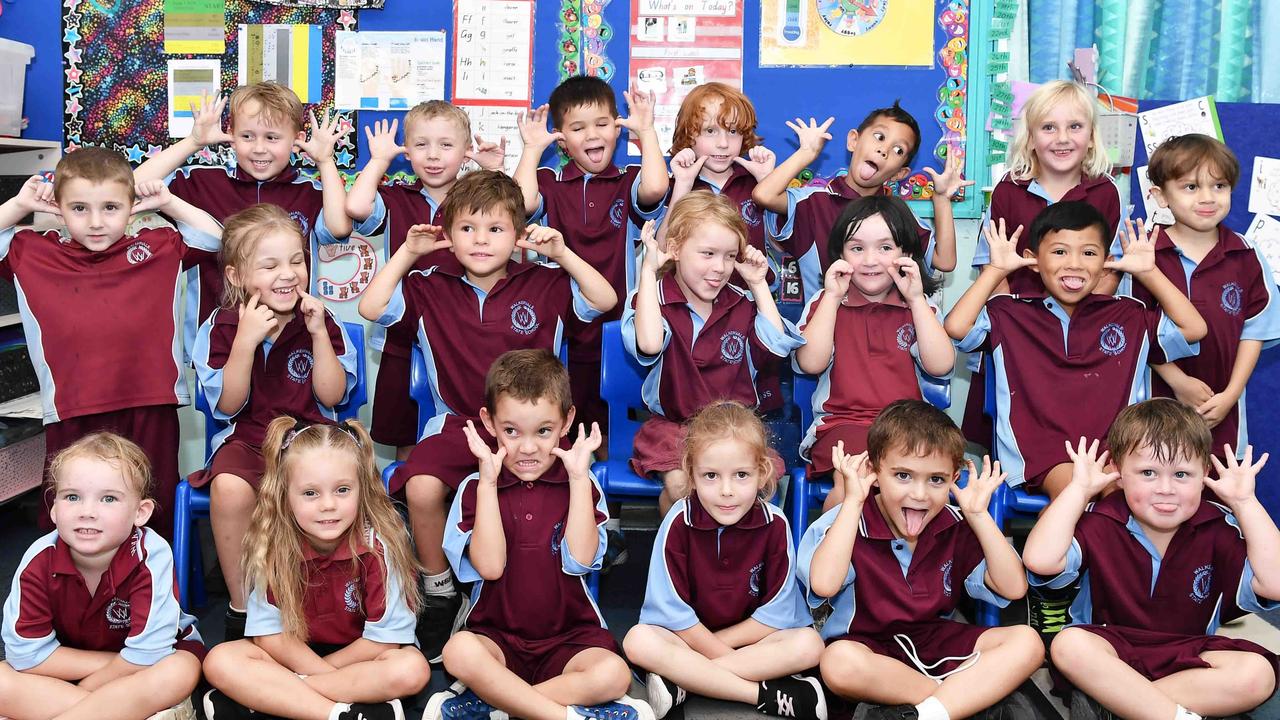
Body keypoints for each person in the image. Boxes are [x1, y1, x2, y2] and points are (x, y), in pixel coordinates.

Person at [357, 169, 616, 661]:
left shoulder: (547, 282)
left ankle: (546, 599)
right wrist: (408, 252)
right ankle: (439, 591)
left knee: (542, 501)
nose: (480, 240)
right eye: (467, 229)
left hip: (534, 434)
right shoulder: (427, 285)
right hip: (461, 424)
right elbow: (371, 307)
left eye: (495, 229)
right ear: (447, 235)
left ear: (518, 234)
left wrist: (561, 253)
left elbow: (604, 299)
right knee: (421, 485)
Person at [0, 149, 224, 539]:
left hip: (149, 401)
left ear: (132, 206)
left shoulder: (159, 246)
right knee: (73, 511)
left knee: (151, 505)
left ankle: (152, 591)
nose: (97, 221)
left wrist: (169, 201)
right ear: (57, 207)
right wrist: (19, 205)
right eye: (80, 208)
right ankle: (72, 593)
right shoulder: (34, 251)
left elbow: (216, 238)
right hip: (73, 407)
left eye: (111, 207)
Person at [426, 350, 653, 720]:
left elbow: (581, 559)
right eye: (511, 431)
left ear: (567, 421)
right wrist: (487, 482)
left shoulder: (584, 484)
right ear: (489, 421)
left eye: (543, 431)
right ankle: (562, 714)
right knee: (458, 652)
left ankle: (497, 707)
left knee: (613, 673)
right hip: (496, 637)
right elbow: (491, 567)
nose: (527, 448)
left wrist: (579, 479)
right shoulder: (473, 488)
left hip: (571, 637)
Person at [1022, 400, 1280, 720]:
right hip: (1110, 653)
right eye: (1148, 473)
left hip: (1187, 652)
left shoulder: (1218, 525)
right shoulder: (1100, 519)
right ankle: (1172, 715)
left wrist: (1245, 502)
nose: (1166, 489)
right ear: (1117, 472)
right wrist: (1078, 489)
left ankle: (1123, 707)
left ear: (1205, 475)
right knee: (1068, 644)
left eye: (1182, 474)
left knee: (1257, 674)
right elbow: (1039, 561)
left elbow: (1276, 584)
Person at [944, 202, 1207, 498]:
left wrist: (1150, 272)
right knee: (1078, 490)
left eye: (1089, 253)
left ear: (1106, 262)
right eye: (1059, 252)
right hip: (1042, 454)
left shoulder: (1128, 314)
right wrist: (995, 270)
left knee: (1133, 494)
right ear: (1033, 261)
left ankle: (1078, 539)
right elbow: (956, 326)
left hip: (1116, 452)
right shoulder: (1009, 312)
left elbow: (1194, 329)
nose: (1074, 263)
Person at [800, 401, 1043, 720]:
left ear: (955, 479)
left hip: (934, 640)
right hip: (868, 650)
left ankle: (929, 714)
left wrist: (979, 516)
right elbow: (824, 583)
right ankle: (962, 701)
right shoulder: (846, 520)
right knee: (837, 662)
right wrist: (853, 500)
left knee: (1028, 641)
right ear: (873, 471)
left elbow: (1013, 588)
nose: (919, 493)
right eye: (903, 475)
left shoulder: (956, 523)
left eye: (937, 480)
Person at [189, 203, 359, 640]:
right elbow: (227, 405)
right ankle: (242, 608)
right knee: (228, 487)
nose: (288, 274)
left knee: (337, 482)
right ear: (236, 277)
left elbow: (333, 396)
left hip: (313, 443)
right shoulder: (222, 327)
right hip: (248, 441)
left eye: (297, 260)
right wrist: (245, 342)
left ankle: (337, 599)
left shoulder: (322, 321)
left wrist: (320, 334)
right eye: (270, 265)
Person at [201, 417, 430, 720]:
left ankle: (279, 699)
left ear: (362, 489)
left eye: (342, 490)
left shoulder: (379, 547)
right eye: (310, 493)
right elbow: (269, 637)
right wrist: (323, 676)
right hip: (295, 654)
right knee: (219, 660)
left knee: (411, 669)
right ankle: (341, 713)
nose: (328, 505)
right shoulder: (273, 544)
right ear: (285, 494)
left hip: (360, 657)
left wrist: (304, 681)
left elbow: (384, 641)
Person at [623, 401, 826, 720]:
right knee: (638, 641)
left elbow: (775, 617)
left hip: (749, 641)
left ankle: (683, 682)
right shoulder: (678, 521)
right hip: (687, 638)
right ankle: (762, 694)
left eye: (741, 475)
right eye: (711, 476)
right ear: (690, 473)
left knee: (810, 644)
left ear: (763, 473)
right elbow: (675, 617)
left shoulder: (775, 525)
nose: (726, 491)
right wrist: (726, 656)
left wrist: (704, 658)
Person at [133, 84, 371, 356]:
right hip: (216, 339)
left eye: (272, 138)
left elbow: (340, 228)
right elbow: (131, 187)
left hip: (293, 340)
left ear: (296, 138)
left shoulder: (310, 191)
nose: (259, 148)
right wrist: (194, 141)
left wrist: (326, 161)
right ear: (231, 135)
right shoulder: (203, 182)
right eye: (247, 136)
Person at [960, 80, 1124, 449]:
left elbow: (1110, 269)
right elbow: (994, 269)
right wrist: (1011, 326)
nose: (1062, 138)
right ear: (1031, 138)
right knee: (1016, 432)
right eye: (1049, 127)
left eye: (1075, 127)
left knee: (1084, 428)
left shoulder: (1107, 193)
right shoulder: (1007, 191)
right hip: (1019, 336)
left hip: (1084, 336)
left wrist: (1077, 323)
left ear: (1092, 137)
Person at [0, 433, 204, 720]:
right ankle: (128, 713)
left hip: (147, 666)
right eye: (72, 497)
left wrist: (87, 689)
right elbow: (26, 655)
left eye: (108, 499)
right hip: (75, 666)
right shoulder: (38, 559)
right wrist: (106, 692)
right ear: (54, 509)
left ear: (140, 512)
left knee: (179, 671)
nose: (87, 512)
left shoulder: (151, 554)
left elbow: (149, 654)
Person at [623, 191, 804, 514]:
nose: (719, 268)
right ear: (675, 249)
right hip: (674, 427)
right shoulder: (653, 298)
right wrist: (648, 274)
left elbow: (776, 347)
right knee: (683, 487)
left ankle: (734, 563)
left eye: (729, 256)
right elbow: (649, 344)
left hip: (733, 430)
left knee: (754, 488)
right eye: (707, 253)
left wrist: (759, 285)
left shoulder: (741, 301)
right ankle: (683, 556)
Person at [344, 101, 505, 460]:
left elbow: (511, 215)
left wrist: (496, 172)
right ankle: (409, 496)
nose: (433, 156)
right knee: (407, 431)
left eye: (446, 145)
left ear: (466, 152)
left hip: (460, 334)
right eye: (421, 145)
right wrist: (380, 160)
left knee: (472, 422)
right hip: (402, 330)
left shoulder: (478, 200)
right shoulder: (397, 197)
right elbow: (355, 207)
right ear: (407, 151)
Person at [513, 75, 669, 439]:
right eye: (578, 128)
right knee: (568, 418)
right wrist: (532, 150)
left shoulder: (628, 178)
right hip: (565, 325)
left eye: (602, 124)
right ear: (562, 139)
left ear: (617, 129)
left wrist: (647, 133)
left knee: (620, 422)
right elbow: (517, 205)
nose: (593, 135)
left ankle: (610, 488)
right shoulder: (549, 180)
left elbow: (657, 187)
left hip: (621, 323)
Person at [794, 195, 954, 511]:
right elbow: (810, 363)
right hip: (842, 424)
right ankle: (833, 553)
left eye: (885, 248)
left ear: (906, 254)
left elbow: (941, 365)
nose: (870, 260)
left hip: (907, 428)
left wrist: (917, 300)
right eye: (857, 248)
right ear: (839, 255)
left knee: (917, 486)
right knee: (854, 479)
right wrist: (831, 297)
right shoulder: (824, 303)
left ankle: (900, 557)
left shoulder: (918, 305)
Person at [1127, 134, 1280, 457]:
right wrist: (1178, 382)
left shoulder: (1246, 254)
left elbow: (1255, 331)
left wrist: (1231, 394)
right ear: (1159, 196)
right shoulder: (1145, 256)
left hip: (1222, 414)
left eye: (1219, 186)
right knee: (1159, 482)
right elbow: (1132, 331)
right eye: (1191, 187)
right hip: (1155, 406)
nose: (1208, 198)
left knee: (1220, 491)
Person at [752, 103, 968, 302]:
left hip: (883, 331)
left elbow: (945, 261)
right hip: (825, 330)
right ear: (853, 140)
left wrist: (941, 199)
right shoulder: (813, 202)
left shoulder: (899, 214)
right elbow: (764, 195)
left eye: (898, 150)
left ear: (900, 173)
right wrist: (807, 153)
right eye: (879, 137)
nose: (884, 150)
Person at [665, 82, 780, 288]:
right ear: (689, 135)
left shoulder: (754, 181)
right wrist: (683, 185)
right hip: (692, 302)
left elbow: (781, 245)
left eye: (733, 131)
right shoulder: (677, 184)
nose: (724, 143)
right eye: (710, 131)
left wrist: (767, 183)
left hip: (752, 298)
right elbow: (664, 249)